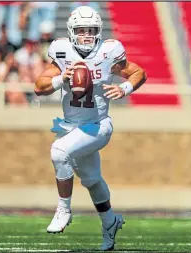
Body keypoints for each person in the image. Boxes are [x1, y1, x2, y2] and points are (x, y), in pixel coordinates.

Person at [34, 6, 147, 251]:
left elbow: (139, 72)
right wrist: (60, 78)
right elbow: (39, 86)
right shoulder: (63, 52)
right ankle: (110, 221)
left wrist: (124, 88)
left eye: (91, 30)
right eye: (82, 30)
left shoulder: (108, 52)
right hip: (73, 127)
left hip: (98, 125)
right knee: (92, 179)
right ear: (72, 32)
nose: (86, 35)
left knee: (58, 152)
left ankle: (64, 209)